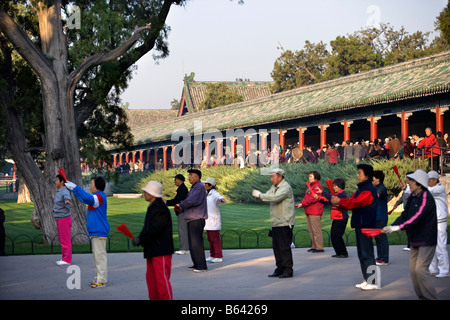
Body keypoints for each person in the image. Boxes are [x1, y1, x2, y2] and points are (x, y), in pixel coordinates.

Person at [384, 169, 438, 300]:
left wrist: (399, 227)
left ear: (419, 183)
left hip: (426, 239)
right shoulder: (412, 197)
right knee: (414, 271)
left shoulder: (426, 197)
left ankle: (431, 298)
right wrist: (392, 225)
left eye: (412, 182)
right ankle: (422, 297)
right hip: (415, 239)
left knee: (420, 269)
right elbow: (405, 215)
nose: (409, 184)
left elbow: (417, 217)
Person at [331, 164, 378, 290]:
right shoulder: (360, 189)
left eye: (359, 173)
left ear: (367, 176)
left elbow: (357, 202)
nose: (357, 175)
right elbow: (352, 202)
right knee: (362, 253)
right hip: (360, 223)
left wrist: (339, 202)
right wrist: (339, 204)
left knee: (367, 253)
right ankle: (367, 278)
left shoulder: (368, 189)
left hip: (366, 224)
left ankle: (373, 281)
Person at [133, 181, 174, 300]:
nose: (144, 193)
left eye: (146, 191)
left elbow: (155, 229)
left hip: (160, 249)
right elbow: (148, 228)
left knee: (161, 280)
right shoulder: (153, 207)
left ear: (153, 194)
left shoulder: (160, 208)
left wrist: (141, 239)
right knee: (152, 281)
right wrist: (141, 238)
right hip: (153, 248)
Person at [66, 177, 109, 288]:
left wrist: (75, 187)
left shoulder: (99, 196)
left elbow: (87, 198)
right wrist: (74, 190)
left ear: (96, 186)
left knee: (100, 257)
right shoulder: (97, 196)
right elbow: (84, 199)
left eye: (91, 183)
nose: (90, 185)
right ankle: (97, 278)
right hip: (96, 231)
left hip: (99, 231)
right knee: (97, 257)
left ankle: (102, 280)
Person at [252, 168, 295, 278]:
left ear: (280, 177)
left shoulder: (285, 187)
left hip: (285, 222)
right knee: (276, 247)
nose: (271, 179)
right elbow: (268, 196)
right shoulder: (274, 187)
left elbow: (275, 198)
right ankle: (280, 268)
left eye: (273, 177)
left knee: (284, 247)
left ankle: (288, 269)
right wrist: (258, 197)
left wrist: (260, 195)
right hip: (276, 222)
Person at [175, 169, 208, 273]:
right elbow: (189, 200)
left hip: (196, 218)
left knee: (196, 243)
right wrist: (182, 207)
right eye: (189, 175)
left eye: (191, 175)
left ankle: (201, 266)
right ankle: (197, 263)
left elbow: (192, 200)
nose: (189, 177)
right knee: (192, 243)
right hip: (191, 218)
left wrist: (181, 204)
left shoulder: (199, 187)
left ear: (197, 177)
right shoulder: (194, 187)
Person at [315, 178, 348, 258]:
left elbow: (331, 198)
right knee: (333, 236)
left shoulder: (342, 195)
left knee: (337, 236)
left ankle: (343, 252)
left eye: (335, 186)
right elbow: (328, 202)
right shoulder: (336, 195)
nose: (333, 187)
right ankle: (338, 252)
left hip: (341, 218)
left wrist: (322, 192)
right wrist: (319, 199)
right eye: (333, 186)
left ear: (340, 187)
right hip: (336, 218)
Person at [427, 170, 449, 278]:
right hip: (431, 222)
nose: (427, 182)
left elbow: (427, 191)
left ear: (435, 180)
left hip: (440, 222)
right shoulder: (431, 189)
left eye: (429, 180)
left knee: (440, 247)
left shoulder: (439, 189)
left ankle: (444, 270)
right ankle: (433, 269)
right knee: (431, 247)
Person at [297, 171, 324, 253]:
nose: (309, 178)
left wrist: (303, 204)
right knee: (311, 230)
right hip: (309, 210)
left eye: (310, 176)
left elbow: (312, 198)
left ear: (315, 178)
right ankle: (314, 246)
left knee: (316, 230)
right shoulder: (310, 186)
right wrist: (302, 203)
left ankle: (319, 247)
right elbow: (306, 197)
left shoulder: (317, 186)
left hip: (315, 211)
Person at [203, 177, 227, 263]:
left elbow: (219, 197)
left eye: (206, 184)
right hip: (208, 220)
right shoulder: (207, 193)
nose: (205, 185)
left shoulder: (214, 193)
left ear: (211, 185)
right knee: (210, 239)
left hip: (213, 221)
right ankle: (212, 255)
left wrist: (222, 199)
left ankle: (218, 256)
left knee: (215, 239)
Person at [165, 174, 189, 255]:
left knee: (182, 230)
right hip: (181, 211)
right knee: (183, 229)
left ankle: (184, 248)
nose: (175, 181)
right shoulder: (181, 189)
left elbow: (177, 200)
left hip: (182, 211)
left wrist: (166, 202)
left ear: (180, 180)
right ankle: (184, 248)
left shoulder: (182, 189)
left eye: (176, 180)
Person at [53, 174, 73, 266]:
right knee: (62, 239)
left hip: (64, 219)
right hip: (60, 218)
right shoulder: (60, 191)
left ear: (61, 182)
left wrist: (67, 200)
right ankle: (64, 258)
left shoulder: (64, 191)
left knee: (65, 240)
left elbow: (67, 196)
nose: (55, 181)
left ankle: (67, 259)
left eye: (57, 180)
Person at [372, 170, 389, 266]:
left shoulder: (381, 188)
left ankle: (385, 258)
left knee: (382, 238)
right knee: (378, 238)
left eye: (373, 177)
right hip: (376, 217)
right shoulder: (375, 187)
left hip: (381, 217)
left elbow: (377, 195)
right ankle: (379, 257)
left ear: (378, 179)